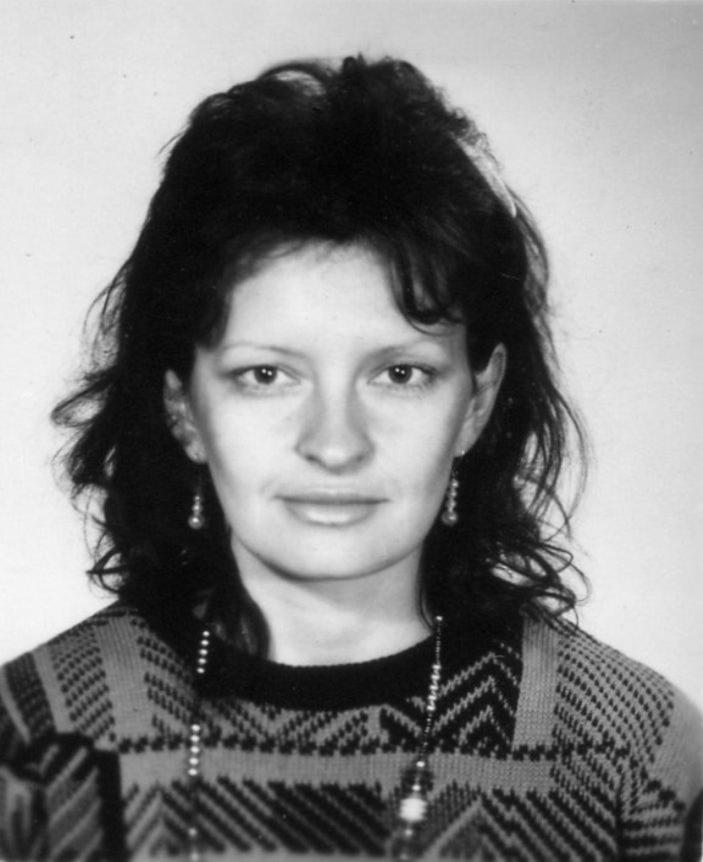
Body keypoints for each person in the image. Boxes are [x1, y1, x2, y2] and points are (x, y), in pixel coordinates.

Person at [0, 55, 700, 862]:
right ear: (183, 408)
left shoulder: (630, 755)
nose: (335, 444)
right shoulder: (33, 746)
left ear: (475, 403)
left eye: (399, 374)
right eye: (267, 375)